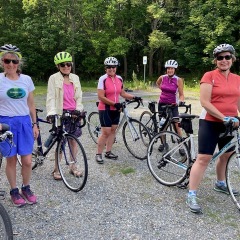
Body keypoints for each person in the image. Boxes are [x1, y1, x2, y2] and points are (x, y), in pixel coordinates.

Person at [186, 43, 240, 214]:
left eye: (227, 57)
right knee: (203, 158)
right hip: (210, 121)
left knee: (226, 155)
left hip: (230, 122)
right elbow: (205, 102)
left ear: (233, 59)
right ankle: (191, 194)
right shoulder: (209, 76)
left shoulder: (237, 79)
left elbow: (238, 102)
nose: (224, 60)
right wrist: (223, 117)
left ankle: (220, 183)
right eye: (220, 57)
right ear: (215, 60)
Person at [0, 44, 39, 207]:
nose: (10, 64)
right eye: (7, 60)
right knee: (11, 160)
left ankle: (26, 188)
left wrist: (35, 124)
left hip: (24, 122)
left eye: (14, 61)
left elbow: (31, 104)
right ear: (2, 61)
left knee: (28, 160)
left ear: (19, 63)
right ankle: (14, 191)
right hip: (6, 123)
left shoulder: (26, 80)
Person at [95, 57, 141, 164]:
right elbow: (101, 96)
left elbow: (123, 93)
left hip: (116, 109)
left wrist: (134, 97)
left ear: (116, 68)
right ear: (105, 68)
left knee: (113, 131)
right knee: (105, 132)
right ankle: (98, 154)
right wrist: (114, 104)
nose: (111, 69)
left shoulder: (119, 79)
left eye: (113, 67)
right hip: (105, 108)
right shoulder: (103, 79)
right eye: (109, 67)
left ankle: (108, 151)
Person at [46, 51, 84, 180]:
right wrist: (51, 113)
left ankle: (73, 167)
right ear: (58, 66)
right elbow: (51, 97)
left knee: (73, 141)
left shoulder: (75, 78)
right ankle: (56, 169)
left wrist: (79, 110)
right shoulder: (54, 78)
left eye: (68, 64)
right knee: (60, 143)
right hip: (60, 114)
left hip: (74, 115)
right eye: (63, 64)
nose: (66, 66)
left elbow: (79, 97)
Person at [156, 59, 185, 153]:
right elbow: (157, 83)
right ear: (166, 69)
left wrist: (181, 101)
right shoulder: (162, 77)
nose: (170, 70)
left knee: (177, 125)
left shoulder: (178, 80)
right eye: (168, 69)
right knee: (162, 125)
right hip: (162, 104)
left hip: (173, 105)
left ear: (175, 69)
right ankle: (163, 143)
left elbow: (181, 94)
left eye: (171, 69)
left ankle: (181, 146)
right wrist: (164, 91)